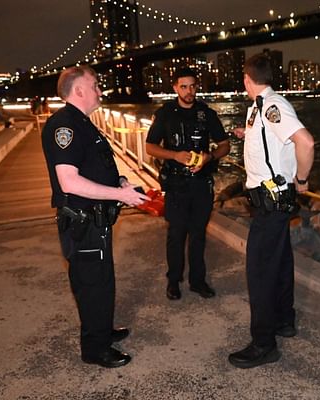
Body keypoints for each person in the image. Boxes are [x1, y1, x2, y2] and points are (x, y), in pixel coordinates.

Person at [40, 65, 149, 369]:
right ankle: (95, 349)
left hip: (95, 220)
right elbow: (69, 181)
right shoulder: (66, 126)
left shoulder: (83, 123)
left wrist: (121, 184)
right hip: (82, 223)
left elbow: (93, 167)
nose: (100, 90)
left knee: (102, 280)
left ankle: (101, 331)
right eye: (95, 85)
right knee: (91, 284)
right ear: (78, 91)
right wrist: (120, 196)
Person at [228, 54, 315, 369]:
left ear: (247, 79)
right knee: (279, 262)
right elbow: (271, 141)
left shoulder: (272, 106)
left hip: (270, 202)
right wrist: (245, 133)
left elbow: (305, 142)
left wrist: (302, 180)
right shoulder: (260, 108)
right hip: (271, 201)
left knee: (260, 271)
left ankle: (264, 344)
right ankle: (283, 320)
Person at [145, 68, 230, 301]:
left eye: (192, 86)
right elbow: (150, 147)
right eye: (184, 86)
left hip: (202, 183)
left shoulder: (206, 114)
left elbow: (225, 144)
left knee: (198, 235)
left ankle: (198, 281)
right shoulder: (165, 114)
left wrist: (209, 157)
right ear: (175, 88)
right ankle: (173, 281)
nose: (189, 91)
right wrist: (174, 155)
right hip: (176, 184)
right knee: (176, 234)